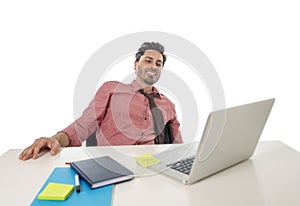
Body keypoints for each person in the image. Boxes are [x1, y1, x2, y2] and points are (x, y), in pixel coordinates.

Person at [19, 42, 183, 161]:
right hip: (110, 163)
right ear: (135, 65)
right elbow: (84, 124)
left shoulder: (168, 104)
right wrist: (55, 138)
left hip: (151, 167)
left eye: (158, 63)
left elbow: (177, 146)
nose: (153, 66)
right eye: (148, 60)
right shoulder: (111, 89)